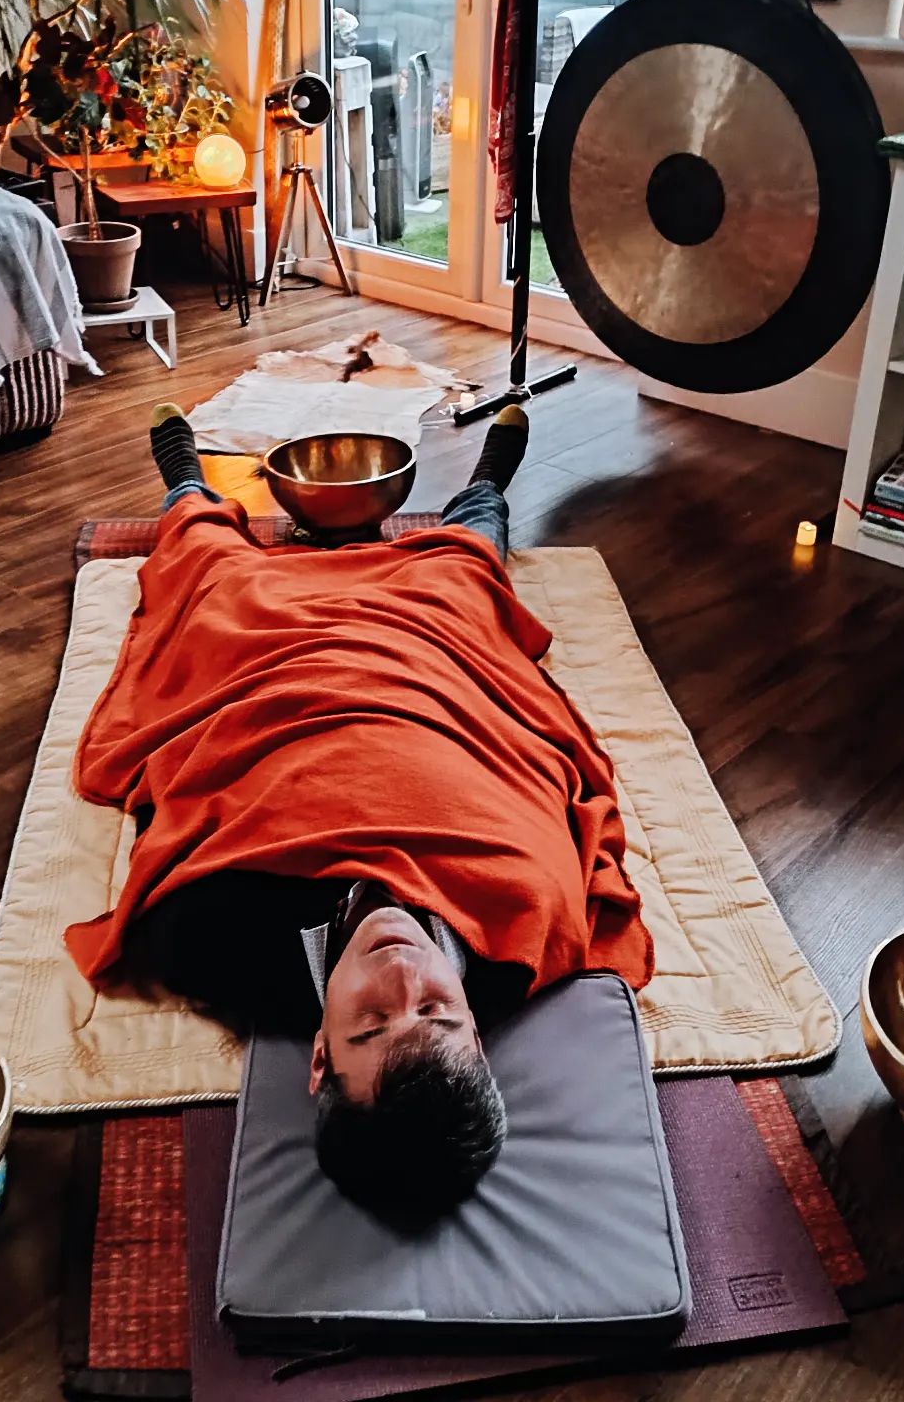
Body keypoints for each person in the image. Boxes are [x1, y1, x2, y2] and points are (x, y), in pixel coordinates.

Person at [66, 402, 653, 1226]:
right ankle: (488, 480)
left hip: (272, 663)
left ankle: (185, 480)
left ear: (316, 1057)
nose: (402, 974)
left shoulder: (206, 937)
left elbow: (179, 801)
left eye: (371, 1026)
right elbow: (544, 789)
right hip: (431, 660)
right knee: (464, 568)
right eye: (439, 1013)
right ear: (479, 1033)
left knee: (208, 575)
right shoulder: (529, 935)